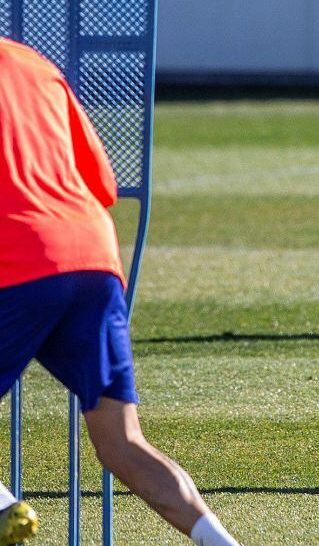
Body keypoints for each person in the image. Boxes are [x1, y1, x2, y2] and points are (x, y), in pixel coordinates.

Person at [0, 38, 243, 546]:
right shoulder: (33, 64)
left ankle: (3, 506)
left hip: (17, 257)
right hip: (92, 252)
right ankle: (221, 542)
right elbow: (103, 184)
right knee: (123, 443)